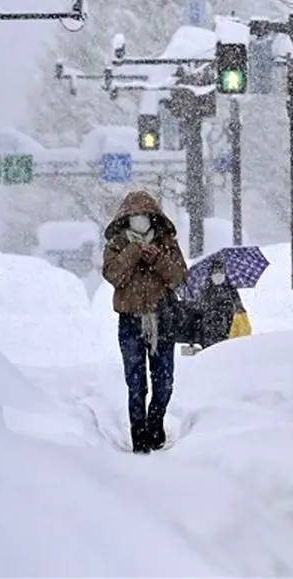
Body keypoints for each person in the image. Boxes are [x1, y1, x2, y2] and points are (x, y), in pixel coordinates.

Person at [102, 191, 187, 454]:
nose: (139, 220)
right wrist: (133, 253)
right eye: (134, 216)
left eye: (144, 216)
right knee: (136, 382)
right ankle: (138, 434)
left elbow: (180, 276)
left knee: (164, 381)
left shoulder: (166, 243)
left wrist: (157, 259)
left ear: (153, 218)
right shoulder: (117, 244)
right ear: (126, 219)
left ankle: (156, 422)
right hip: (130, 322)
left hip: (163, 319)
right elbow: (113, 275)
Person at [197, 256, 241, 347]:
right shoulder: (206, 290)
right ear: (211, 273)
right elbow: (202, 310)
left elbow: (238, 307)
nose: (219, 274)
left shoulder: (230, 289)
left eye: (221, 271)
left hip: (229, 331)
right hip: (210, 333)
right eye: (216, 272)